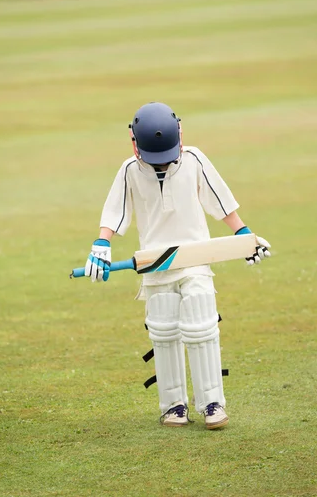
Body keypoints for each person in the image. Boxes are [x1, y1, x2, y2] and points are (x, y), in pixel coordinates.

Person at [84, 102, 271, 429]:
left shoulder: (194, 159)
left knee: (201, 324)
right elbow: (115, 212)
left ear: (181, 135)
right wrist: (102, 244)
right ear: (134, 143)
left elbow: (220, 200)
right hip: (156, 265)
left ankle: (212, 402)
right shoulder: (130, 169)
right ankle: (173, 406)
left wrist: (244, 235)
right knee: (164, 331)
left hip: (196, 258)